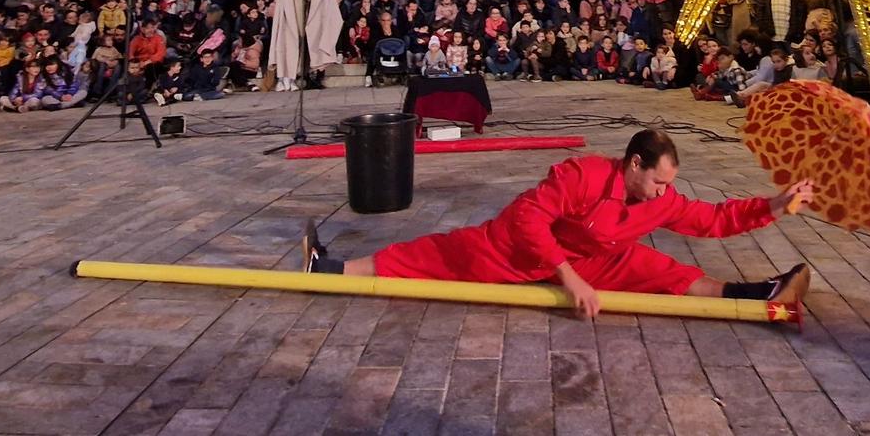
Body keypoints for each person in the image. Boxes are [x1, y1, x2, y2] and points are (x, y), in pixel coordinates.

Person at [301, 128, 816, 323]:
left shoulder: (662, 198)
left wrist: (774, 203)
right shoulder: (585, 173)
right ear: (633, 165)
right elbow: (529, 217)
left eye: (669, 185)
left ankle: (757, 294)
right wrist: (570, 277)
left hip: (598, 256)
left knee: (664, 270)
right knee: (431, 256)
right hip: (518, 248)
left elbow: (714, 218)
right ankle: (330, 267)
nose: (665, 193)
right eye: (658, 181)